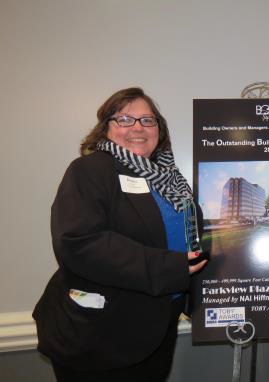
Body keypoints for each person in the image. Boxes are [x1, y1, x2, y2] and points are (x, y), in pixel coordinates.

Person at [33, 87, 207, 381]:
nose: (138, 128)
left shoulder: (170, 179)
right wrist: (171, 268)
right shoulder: (89, 171)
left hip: (157, 326)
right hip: (101, 335)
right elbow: (80, 243)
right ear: (106, 128)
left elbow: (190, 237)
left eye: (147, 120)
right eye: (125, 119)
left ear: (159, 129)